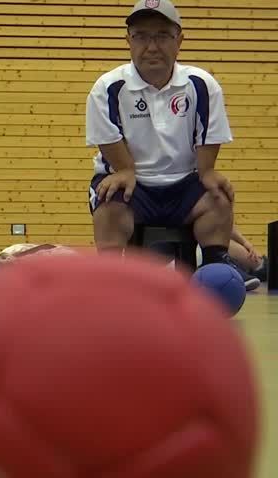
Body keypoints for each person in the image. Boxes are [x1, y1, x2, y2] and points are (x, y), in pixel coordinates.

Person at [85, 0, 260, 290]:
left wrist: (207, 172)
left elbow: (208, 136)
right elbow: (107, 137)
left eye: (162, 36)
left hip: (184, 185)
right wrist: (125, 169)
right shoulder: (107, 87)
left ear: (179, 40)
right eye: (141, 36)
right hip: (133, 185)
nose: (152, 47)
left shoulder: (202, 84)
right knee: (107, 202)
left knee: (219, 198)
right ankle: (110, 279)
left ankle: (218, 270)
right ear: (128, 40)